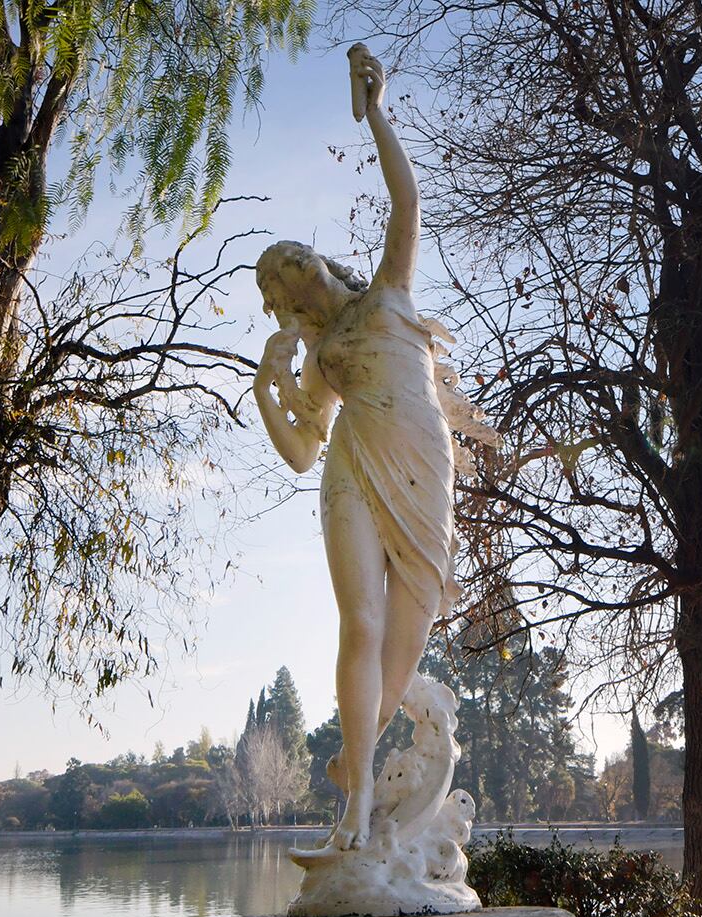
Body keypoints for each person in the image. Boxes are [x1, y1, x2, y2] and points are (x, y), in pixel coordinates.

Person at [252, 45, 492, 852]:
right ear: (284, 301)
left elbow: (405, 202)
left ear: (314, 258)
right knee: (359, 622)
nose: (290, 269)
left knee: (399, 649)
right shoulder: (319, 360)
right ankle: (353, 817)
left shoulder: (390, 293)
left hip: (423, 465)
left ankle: (356, 771)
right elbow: (298, 450)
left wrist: (377, 112)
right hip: (351, 462)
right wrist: (264, 390)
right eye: (279, 278)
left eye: (290, 255)